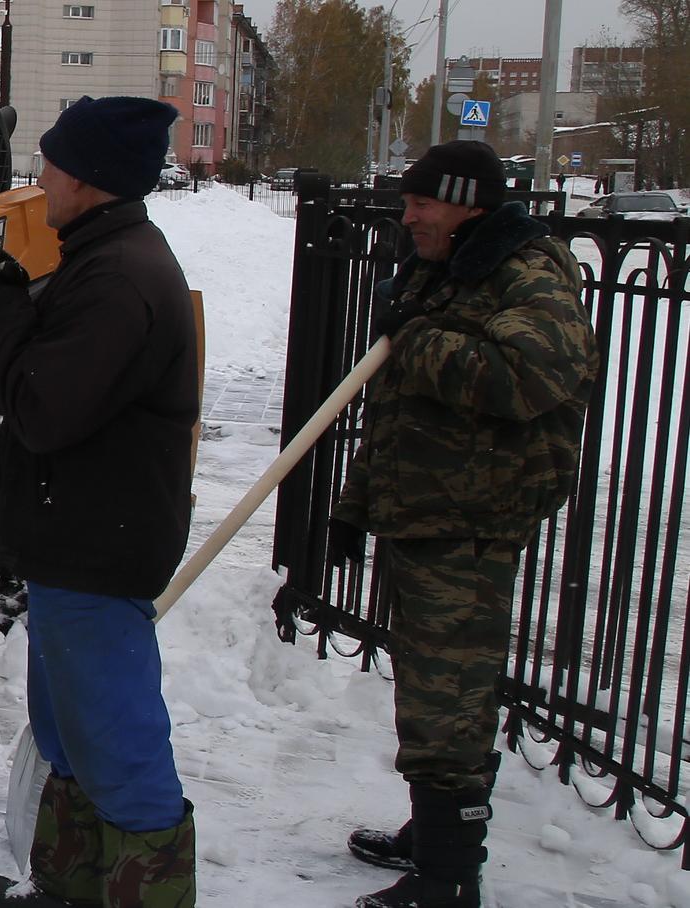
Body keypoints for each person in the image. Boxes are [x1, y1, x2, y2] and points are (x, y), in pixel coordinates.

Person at [326, 140, 598, 908]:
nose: (408, 215)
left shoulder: (527, 273)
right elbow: (399, 408)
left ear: (465, 203)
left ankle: (448, 877)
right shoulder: (446, 270)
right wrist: (355, 503)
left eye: (422, 202)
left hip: (471, 519)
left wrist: (417, 337)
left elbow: (530, 376)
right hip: (425, 508)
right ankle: (435, 834)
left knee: (449, 697)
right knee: (433, 688)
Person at [0, 96, 200, 908]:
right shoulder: (102, 259)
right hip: (77, 537)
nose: (41, 180)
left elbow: (43, 406)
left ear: (87, 179)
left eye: (50, 165)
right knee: (70, 733)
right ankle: (67, 889)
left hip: (100, 544)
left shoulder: (121, 279)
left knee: (117, 746)